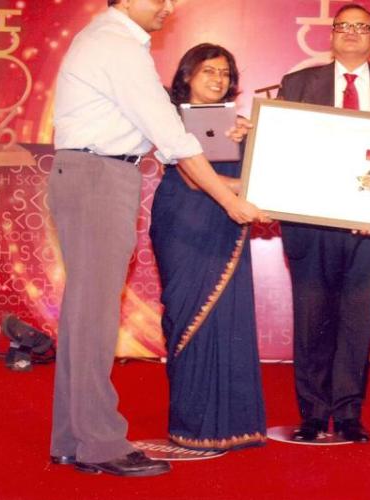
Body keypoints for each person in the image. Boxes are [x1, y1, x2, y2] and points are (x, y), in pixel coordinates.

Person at [48, 0, 266, 476]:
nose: (169, 7)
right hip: (97, 177)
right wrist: (231, 201)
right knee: (95, 318)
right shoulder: (118, 45)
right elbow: (173, 137)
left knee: (86, 315)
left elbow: (178, 130)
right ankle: (101, 443)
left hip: (98, 174)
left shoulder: (112, 41)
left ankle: (72, 437)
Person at [278, 3, 370, 443]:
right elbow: (286, 149)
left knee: (357, 324)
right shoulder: (298, 84)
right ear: (331, 36)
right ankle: (314, 415)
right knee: (312, 322)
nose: (353, 33)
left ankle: (349, 412)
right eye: (345, 26)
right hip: (313, 226)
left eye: (363, 27)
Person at [149, 43, 266, 452]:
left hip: (227, 222)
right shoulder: (172, 120)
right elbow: (196, 179)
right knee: (190, 317)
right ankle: (193, 424)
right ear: (186, 77)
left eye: (224, 73)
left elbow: (257, 172)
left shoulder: (236, 123)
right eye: (207, 72)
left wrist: (256, 139)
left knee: (227, 317)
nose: (218, 80)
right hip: (186, 223)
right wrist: (251, 197)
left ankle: (233, 425)